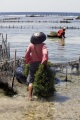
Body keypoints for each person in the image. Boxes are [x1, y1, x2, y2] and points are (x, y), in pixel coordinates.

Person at [25, 32, 48, 100]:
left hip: (33, 64)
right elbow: (45, 54)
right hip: (40, 64)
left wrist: (27, 61)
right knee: (42, 78)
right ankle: (42, 95)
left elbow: (26, 54)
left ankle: (30, 96)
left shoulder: (30, 45)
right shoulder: (43, 45)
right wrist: (44, 63)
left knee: (31, 80)